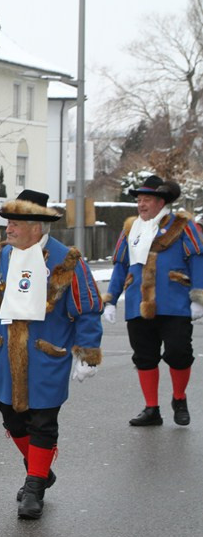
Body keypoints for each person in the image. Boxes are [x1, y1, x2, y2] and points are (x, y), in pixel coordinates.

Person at [0, 189, 103, 519]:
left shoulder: (67, 261)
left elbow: (88, 310)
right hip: (5, 358)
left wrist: (87, 352)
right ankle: (41, 468)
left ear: (37, 226)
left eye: (15, 223)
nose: (8, 228)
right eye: (7, 221)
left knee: (43, 423)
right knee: (12, 417)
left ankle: (34, 486)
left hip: (46, 358)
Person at [102, 176, 203, 426]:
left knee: (179, 353)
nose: (141, 205)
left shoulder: (183, 225)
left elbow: (197, 260)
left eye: (146, 199)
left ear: (160, 202)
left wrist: (198, 297)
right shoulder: (130, 228)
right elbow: (120, 266)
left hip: (175, 303)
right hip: (138, 302)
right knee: (144, 357)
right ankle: (151, 409)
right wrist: (111, 299)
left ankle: (179, 398)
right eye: (139, 200)